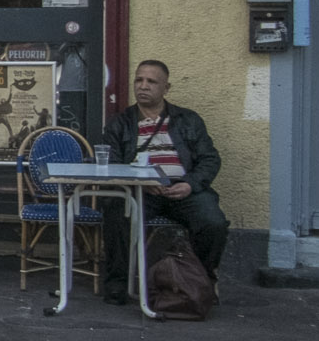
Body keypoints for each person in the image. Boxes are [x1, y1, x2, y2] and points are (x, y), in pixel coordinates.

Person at [98, 59, 228, 305]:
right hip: (141, 190)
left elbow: (210, 159)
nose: (143, 86)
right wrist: (140, 182)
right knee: (116, 210)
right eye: (139, 80)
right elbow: (113, 163)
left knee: (213, 222)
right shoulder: (120, 123)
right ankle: (117, 282)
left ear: (166, 88)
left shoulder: (187, 120)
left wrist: (190, 183)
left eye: (151, 81)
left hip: (184, 188)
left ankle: (202, 279)